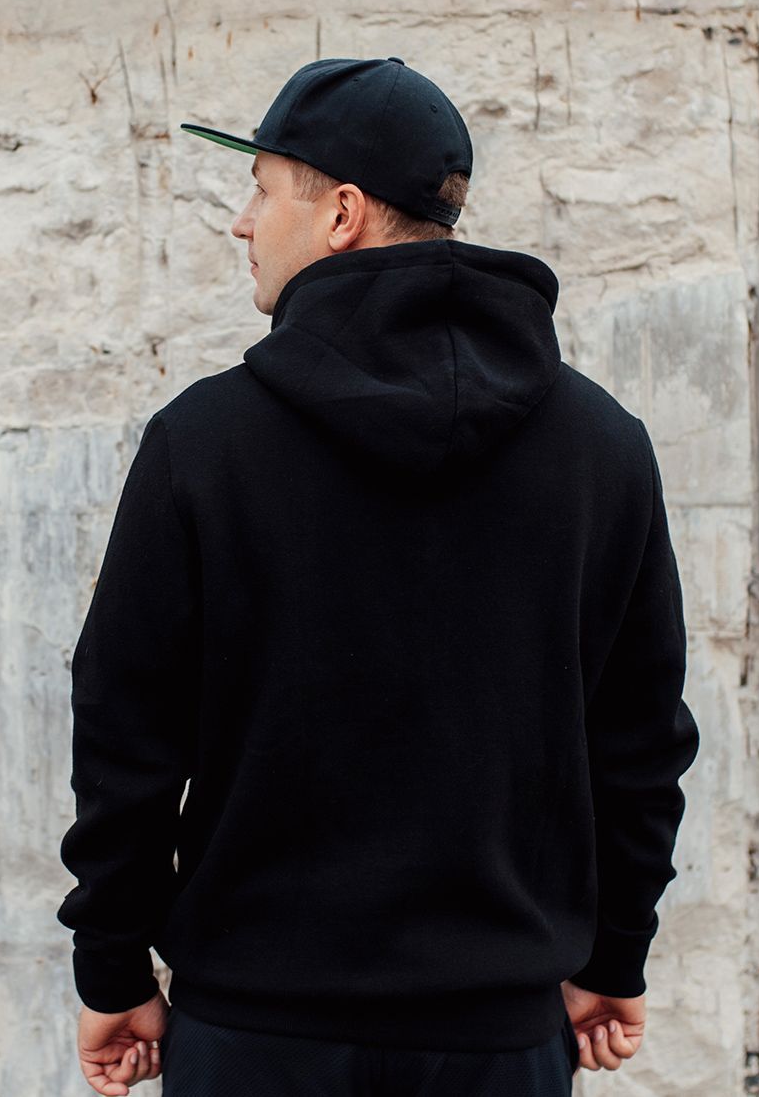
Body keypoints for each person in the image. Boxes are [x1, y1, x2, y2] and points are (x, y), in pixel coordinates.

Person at [55, 56, 701, 1096]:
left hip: (257, 1036)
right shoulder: (603, 447)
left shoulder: (205, 443)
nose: (242, 223)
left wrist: (114, 967)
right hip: (499, 1043)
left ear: (342, 213)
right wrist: (614, 956)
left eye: (263, 190)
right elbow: (641, 740)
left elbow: (126, 729)